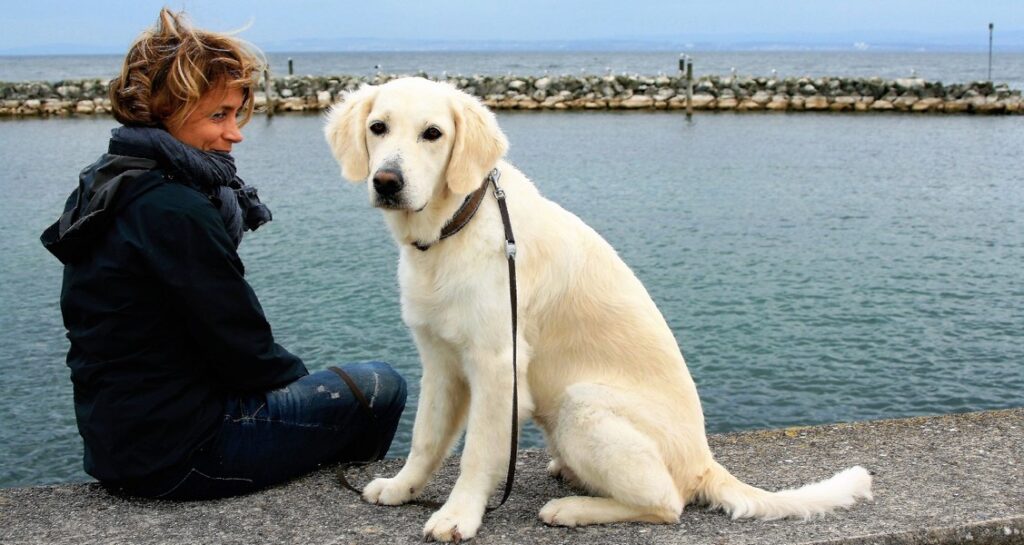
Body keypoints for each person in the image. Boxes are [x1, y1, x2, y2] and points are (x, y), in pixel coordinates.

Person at [39, 8, 406, 500]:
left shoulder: (108, 180)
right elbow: (247, 352)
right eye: (218, 115)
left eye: (235, 114)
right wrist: (301, 392)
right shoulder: (173, 207)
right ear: (163, 110)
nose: (235, 133)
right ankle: (333, 501)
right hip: (185, 455)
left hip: (119, 445)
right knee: (380, 385)